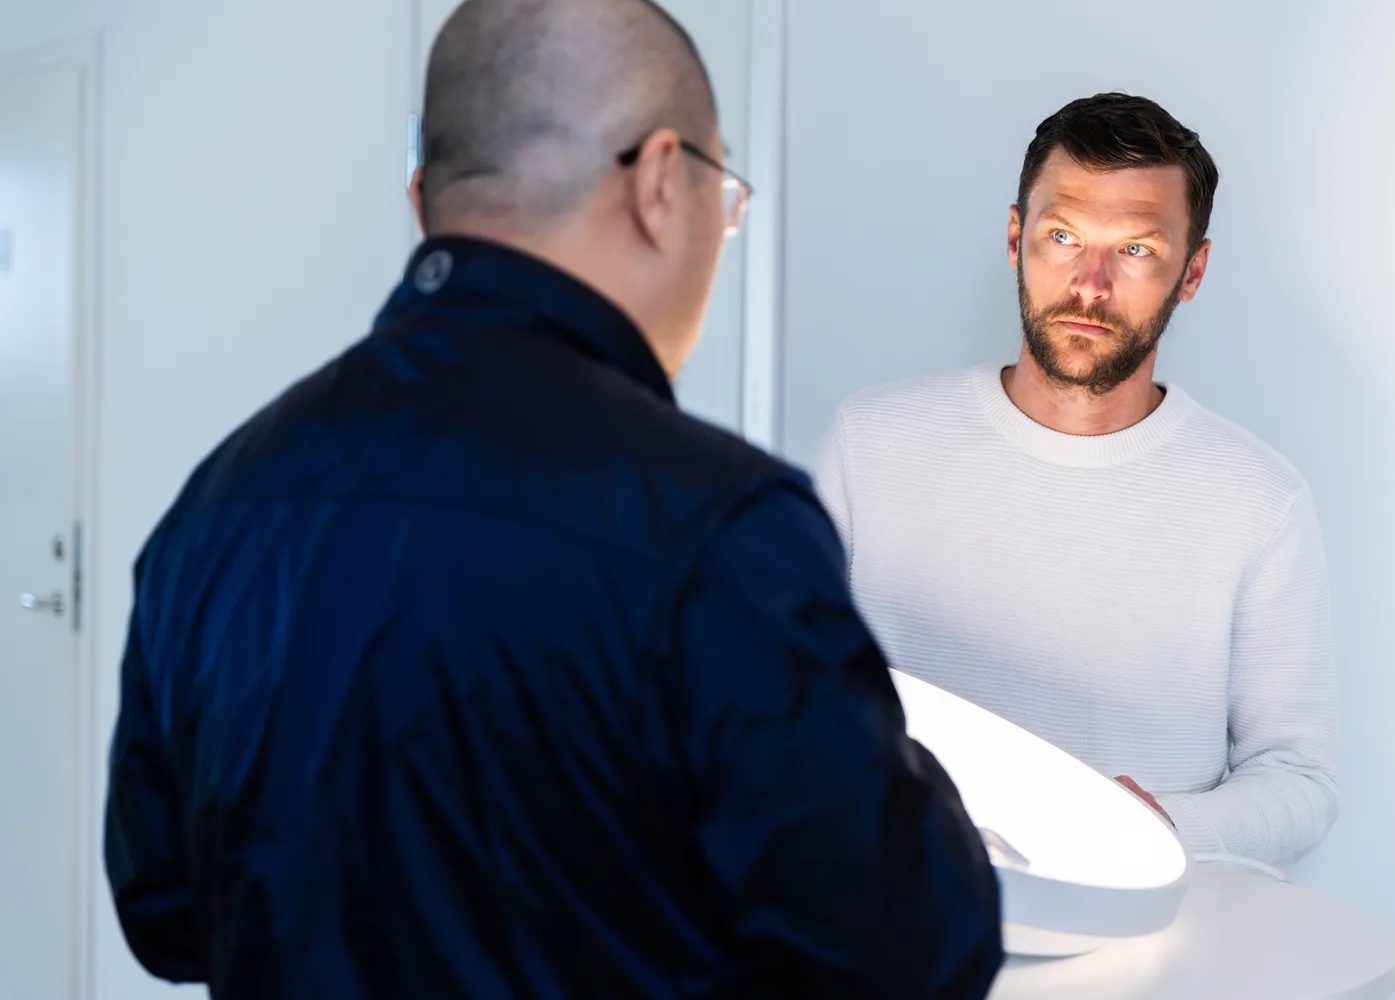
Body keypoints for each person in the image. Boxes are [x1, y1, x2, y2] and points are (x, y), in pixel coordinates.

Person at [102, 1, 1003, 997]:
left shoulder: (215, 513)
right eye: (726, 197)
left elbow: (165, 915)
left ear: (424, 200)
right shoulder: (718, 527)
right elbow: (906, 952)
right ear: (663, 181)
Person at [813, 93, 1338, 868]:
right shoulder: (871, 444)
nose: (1089, 284)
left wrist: (1153, 826)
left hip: (1148, 951)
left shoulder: (1259, 500)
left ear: (1192, 272)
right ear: (1016, 238)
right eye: (1062, 236)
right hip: (894, 928)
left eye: (1135, 250)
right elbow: (782, 694)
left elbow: (1299, 780)